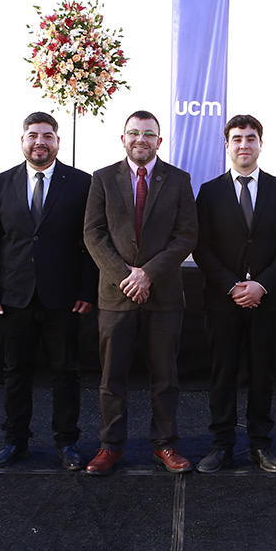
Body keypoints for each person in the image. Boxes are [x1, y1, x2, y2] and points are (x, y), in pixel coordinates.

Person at [82, 110, 198, 476]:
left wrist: (148, 275)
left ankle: (165, 444)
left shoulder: (179, 179)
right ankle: (110, 447)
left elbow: (186, 235)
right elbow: (93, 233)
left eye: (148, 134)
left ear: (159, 141)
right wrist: (125, 277)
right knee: (111, 378)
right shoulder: (103, 178)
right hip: (115, 295)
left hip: (163, 295)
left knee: (165, 377)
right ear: (123, 139)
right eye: (134, 132)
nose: (141, 139)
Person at [0, 112, 97, 471]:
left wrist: (87, 290)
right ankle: (15, 441)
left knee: (66, 373)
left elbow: (91, 242)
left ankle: (67, 442)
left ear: (58, 142)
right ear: (23, 141)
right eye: (33, 135)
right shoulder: (2, 183)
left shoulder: (81, 183)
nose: (40, 142)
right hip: (14, 297)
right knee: (15, 372)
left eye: (47, 136)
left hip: (64, 299)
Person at [193, 115, 276, 474]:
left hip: (267, 300)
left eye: (250, 138)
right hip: (223, 301)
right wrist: (232, 286)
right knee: (222, 375)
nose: (244, 145)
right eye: (237, 139)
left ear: (260, 144)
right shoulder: (209, 191)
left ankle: (260, 446)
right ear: (227, 145)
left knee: (262, 375)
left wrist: (261, 285)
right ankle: (222, 445)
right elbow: (201, 247)